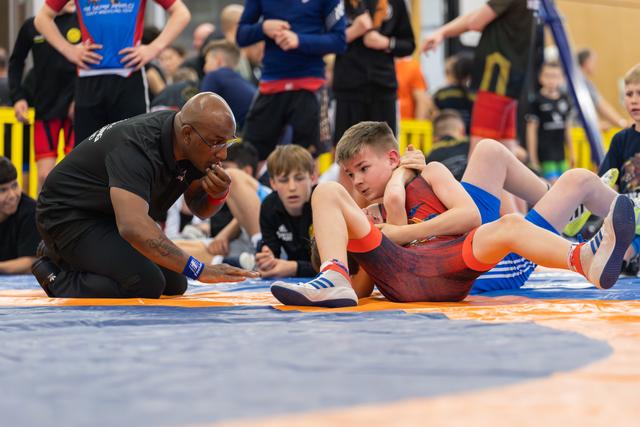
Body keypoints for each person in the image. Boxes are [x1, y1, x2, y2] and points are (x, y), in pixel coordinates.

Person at [269, 122, 634, 307]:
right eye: (350, 174)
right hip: (482, 260)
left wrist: (400, 190)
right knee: (572, 182)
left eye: (362, 169)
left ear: (394, 158)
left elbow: (468, 217)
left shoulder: (426, 175)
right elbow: (378, 264)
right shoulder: (375, 213)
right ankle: (578, 227)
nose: (356, 181)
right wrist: (397, 191)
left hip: (465, 245)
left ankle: (579, 220)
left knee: (491, 151)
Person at [31, 92, 258, 299]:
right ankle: (55, 273)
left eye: (228, 141)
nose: (224, 153)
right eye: (217, 142)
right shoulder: (136, 147)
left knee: (176, 283)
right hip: (65, 216)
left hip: (107, 217)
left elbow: (199, 209)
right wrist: (200, 269)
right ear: (187, 134)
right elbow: (133, 227)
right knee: (146, 283)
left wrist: (217, 194)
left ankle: (78, 257)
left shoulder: (195, 141)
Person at [34, 0, 191, 143]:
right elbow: (42, 18)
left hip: (128, 75)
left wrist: (153, 49)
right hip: (89, 78)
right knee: (88, 150)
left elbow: (181, 13)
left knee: (133, 146)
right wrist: (68, 50)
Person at [236, 0, 346, 161]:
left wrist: (299, 41)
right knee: (250, 154)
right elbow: (241, 35)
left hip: (310, 84)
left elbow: (339, 41)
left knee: (305, 159)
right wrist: (264, 27)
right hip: (271, 84)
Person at [423, 0, 537, 152]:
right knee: (506, 147)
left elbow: (475, 22)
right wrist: (442, 32)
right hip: (512, 80)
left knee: (479, 149)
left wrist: (442, 32)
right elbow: (477, 16)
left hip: (495, 78)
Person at [8, 1, 78, 191]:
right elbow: (16, 63)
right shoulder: (34, 24)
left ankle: (76, 218)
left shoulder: (83, 21)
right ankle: (48, 219)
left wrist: (81, 97)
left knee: (77, 173)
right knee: (45, 177)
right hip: (45, 108)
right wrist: (19, 97)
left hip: (78, 110)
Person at [333, 0, 415, 141]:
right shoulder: (339, 3)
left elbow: (409, 44)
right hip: (348, 88)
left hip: (383, 86)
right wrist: (353, 32)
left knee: (385, 147)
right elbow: (324, 42)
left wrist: (386, 43)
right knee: (347, 149)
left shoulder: (395, 3)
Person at [598, 64, 640, 274]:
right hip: (630, 224)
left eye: (639, 93)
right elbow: (605, 182)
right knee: (614, 259)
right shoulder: (620, 140)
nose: (633, 99)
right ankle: (629, 257)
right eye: (629, 94)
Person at [257, 145, 316, 278]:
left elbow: (337, 266)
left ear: (312, 178)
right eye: (283, 180)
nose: (292, 187)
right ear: (273, 183)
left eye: (299, 178)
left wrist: (294, 268)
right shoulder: (268, 206)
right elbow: (272, 258)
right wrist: (267, 259)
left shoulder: (323, 202)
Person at [525, 61, 575, 183]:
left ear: (562, 78)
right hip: (545, 156)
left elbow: (567, 128)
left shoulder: (565, 99)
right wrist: (533, 158)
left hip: (561, 155)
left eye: (555, 76)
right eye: (547, 76)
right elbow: (531, 131)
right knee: (553, 185)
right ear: (541, 78)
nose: (551, 80)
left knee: (567, 183)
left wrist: (572, 152)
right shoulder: (536, 101)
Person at [201, 40, 257, 130]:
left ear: (218, 60)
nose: (204, 68)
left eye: (206, 61)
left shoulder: (214, 76)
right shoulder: (245, 82)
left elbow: (202, 111)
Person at [0, 157, 40, 274]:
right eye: (3, 190)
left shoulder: (31, 211)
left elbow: (31, 263)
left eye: (14, 185)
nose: (12, 195)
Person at [577, 49, 628, 130]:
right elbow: (601, 106)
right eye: (594, 62)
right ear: (587, 62)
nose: (596, 66)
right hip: (578, 132)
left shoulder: (575, 80)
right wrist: (622, 123)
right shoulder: (581, 82)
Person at [432, 52, 474, 133]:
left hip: (444, 134)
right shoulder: (473, 95)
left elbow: (434, 115)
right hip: (468, 138)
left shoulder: (441, 94)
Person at [426, 110, 469, 181]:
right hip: (467, 188)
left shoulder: (430, 155)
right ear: (462, 131)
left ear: (434, 137)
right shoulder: (469, 146)